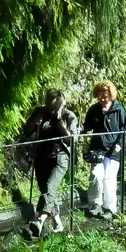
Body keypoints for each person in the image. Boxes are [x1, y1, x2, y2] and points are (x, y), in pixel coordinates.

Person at [21, 89, 79, 238]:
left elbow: (71, 140)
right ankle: (58, 224)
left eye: (55, 108)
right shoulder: (40, 112)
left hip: (60, 158)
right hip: (41, 157)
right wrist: (35, 122)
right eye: (50, 108)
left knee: (49, 187)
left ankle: (39, 220)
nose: (52, 111)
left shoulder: (69, 116)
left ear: (62, 105)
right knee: (47, 192)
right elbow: (26, 131)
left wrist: (60, 122)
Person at [82, 80, 126, 219]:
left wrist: (119, 143)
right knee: (96, 175)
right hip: (97, 149)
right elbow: (87, 126)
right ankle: (95, 204)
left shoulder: (119, 109)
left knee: (109, 179)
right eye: (100, 95)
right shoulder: (94, 109)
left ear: (111, 94)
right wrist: (79, 130)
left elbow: (125, 129)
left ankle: (109, 208)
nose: (103, 98)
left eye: (105, 94)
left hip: (114, 151)